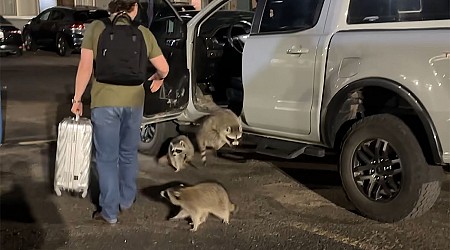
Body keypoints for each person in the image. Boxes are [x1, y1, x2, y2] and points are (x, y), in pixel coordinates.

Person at [71, 0, 169, 224]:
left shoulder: (96, 28)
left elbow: (85, 67)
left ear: (111, 8)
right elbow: (164, 67)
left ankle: (109, 212)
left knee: (106, 159)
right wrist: (158, 78)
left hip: (104, 103)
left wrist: (77, 99)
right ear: (134, 8)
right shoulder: (143, 33)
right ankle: (126, 200)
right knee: (128, 154)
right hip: (134, 103)